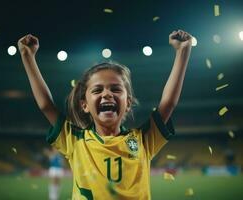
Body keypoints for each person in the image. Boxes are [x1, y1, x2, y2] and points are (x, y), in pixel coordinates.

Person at [18, 29, 192, 199]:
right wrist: (28, 56)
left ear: (128, 103)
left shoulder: (143, 139)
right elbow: (46, 105)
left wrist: (183, 51)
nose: (107, 94)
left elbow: (168, 103)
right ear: (85, 105)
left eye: (116, 89)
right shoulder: (74, 139)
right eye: (97, 90)